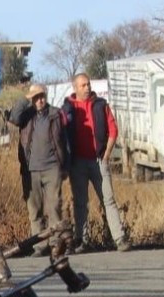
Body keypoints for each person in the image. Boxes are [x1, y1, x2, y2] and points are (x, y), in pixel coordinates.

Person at [61, 73, 130, 253]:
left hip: (99, 160)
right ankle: (81, 240)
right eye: (83, 85)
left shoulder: (100, 105)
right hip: (77, 162)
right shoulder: (68, 107)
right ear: (75, 87)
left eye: (88, 84)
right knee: (80, 203)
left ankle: (119, 238)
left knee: (108, 200)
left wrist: (107, 154)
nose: (87, 88)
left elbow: (113, 130)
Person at [9, 83, 67, 236]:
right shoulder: (26, 115)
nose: (40, 100)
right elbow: (13, 118)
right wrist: (25, 98)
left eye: (42, 97)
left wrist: (65, 165)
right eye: (36, 97)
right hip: (31, 168)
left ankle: (56, 242)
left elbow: (66, 140)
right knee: (34, 210)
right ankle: (39, 245)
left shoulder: (55, 114)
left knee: (54, 207)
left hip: (52, 167)